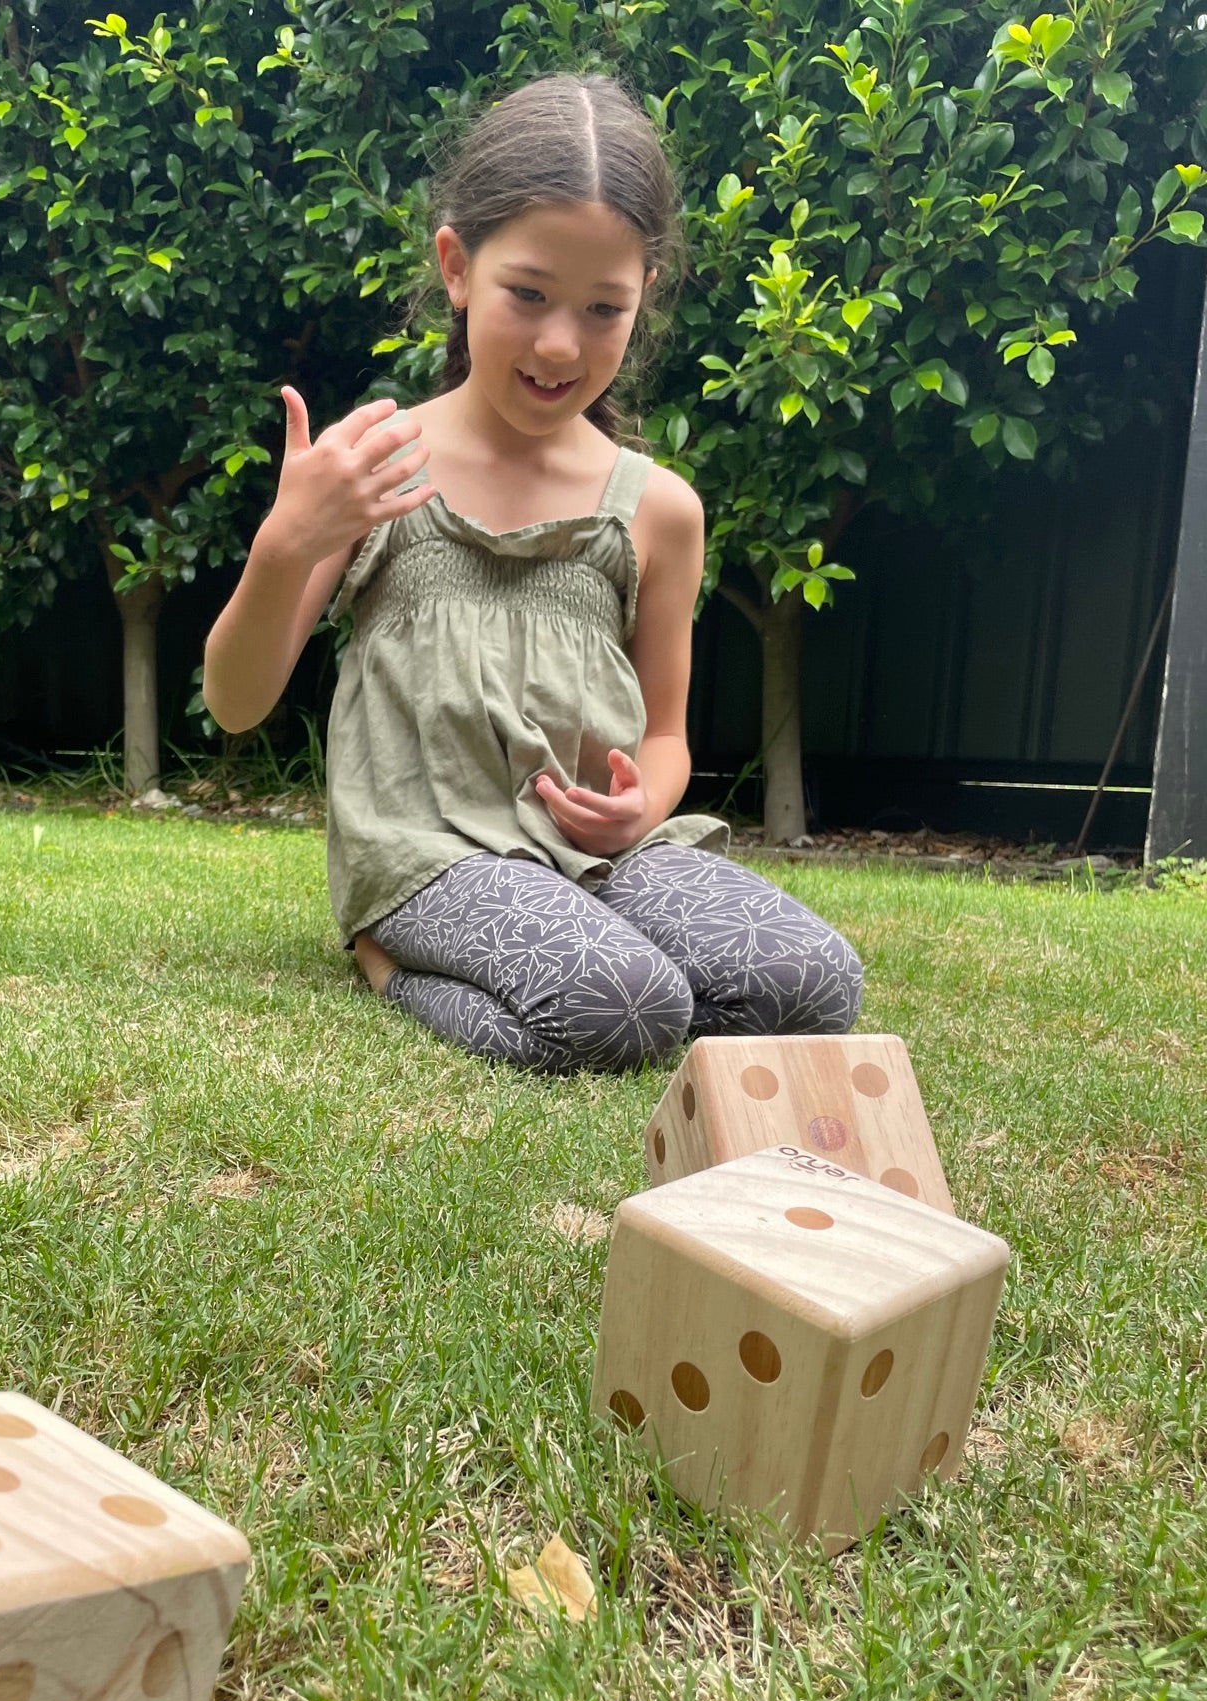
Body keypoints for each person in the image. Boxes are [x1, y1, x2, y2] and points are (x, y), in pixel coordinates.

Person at [203, 72, 863, 1074]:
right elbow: (235, 701)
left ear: (644, 299)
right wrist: (284, 542)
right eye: (529, 294)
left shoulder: (659, 509)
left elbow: (667, 734)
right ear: (457, 267)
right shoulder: (376, 468)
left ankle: (595, 949)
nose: (561, 343)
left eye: (604, 308)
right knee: (624, 1008)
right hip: (432, 857)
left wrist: (642, 807)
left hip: (601, 856)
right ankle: (387, 960)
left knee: (813, 984)